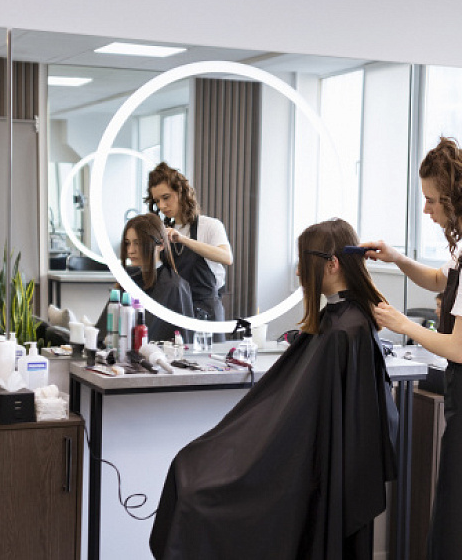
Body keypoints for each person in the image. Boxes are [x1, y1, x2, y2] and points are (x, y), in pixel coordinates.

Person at [149, 218, 399, 560]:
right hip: (299, 459)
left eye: (303, 262)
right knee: (188, 464)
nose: (298, 272)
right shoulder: (337, 322)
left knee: (197, 487)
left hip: (303, 470)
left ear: (332, 264)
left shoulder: (345, 331)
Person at [363, 137, 462, 560]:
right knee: (458, 514)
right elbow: (441, 280)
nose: (427, 209)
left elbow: (457, 347)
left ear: (459, 198)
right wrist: (397, 259)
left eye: (432, 200)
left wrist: (401, 324)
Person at [145, 162, 232, 339]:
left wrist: (183, 239)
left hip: (206, 314)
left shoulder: (210, 226)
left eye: (166, 197)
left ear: (181, 192)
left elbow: (226, 257)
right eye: (157, 201)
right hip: (175, 311)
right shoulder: (163, 231)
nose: (162, 206)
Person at [97, 214, 194, 345]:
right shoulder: (129, 282)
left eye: (138, 243)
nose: (130, 250)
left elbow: (184, 344)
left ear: (161, 245)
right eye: (128, 243)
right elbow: (102, 333)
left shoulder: (173, 286)